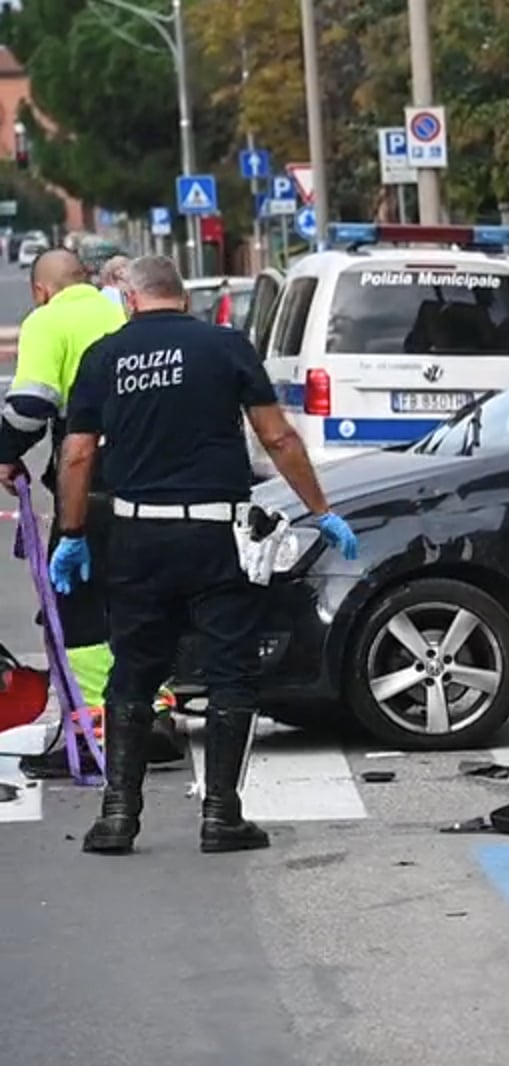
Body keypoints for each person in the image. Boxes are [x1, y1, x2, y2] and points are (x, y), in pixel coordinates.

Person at [52, 255, 358, 855]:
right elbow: (277, 436)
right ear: (183, 299)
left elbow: (78, 454)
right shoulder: (225, 346)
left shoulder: (105, 356)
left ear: (132, 300)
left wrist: (73, 531)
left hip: (138, 538)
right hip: (217, 537)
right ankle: (221, 816)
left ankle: (117, 816)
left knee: (134, 672)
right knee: (230, 672)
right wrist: (320, 508)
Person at [0, 248, 188, 779]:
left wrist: (6, 453)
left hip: (90, 483)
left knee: (78, 604)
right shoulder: (120, 311)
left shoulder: (47, 321)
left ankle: (97, 726)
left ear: (40, 290)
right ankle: (154, 712)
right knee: (139, 598)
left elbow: (33, 404)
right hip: (153, 478)